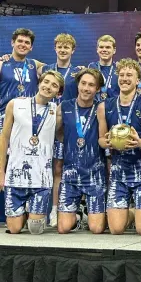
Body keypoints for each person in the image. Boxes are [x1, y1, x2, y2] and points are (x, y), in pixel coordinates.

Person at [0, 70, 64, 234]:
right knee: (14, 230)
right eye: (46, 82)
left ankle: (32, 214)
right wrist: (1, 171)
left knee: (35, 230)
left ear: (58, 93)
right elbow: (4, 138)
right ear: (39, 82)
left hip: (41, 180)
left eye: (54, 85)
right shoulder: (15, 104)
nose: (48, 86)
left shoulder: (56, 111)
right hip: (15, 176)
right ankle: (23, 212)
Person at [98, 58, 141, 235]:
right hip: (118, 171)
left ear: (138, 80)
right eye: (122, 75)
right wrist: (107, 142)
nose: (124, 78)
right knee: (116, 230)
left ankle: (140, 214)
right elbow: (101, 139)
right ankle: (130, 215)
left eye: (129, 75)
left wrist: (139, 143)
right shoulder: (104, 106)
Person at [56, 68, 107, 234]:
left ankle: (91, 213)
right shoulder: (64, 107)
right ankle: (77, 217)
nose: (86, 88)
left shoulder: (103, 108)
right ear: (78, 84)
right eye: (83, 83)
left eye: (91, 85)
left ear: (98, 89)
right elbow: (58, 134)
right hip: (71, 174)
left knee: (97, 229)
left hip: (95, 174)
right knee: (63, 228)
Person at [41, 33, 80, 227]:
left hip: (66, 125)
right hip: (43, 122)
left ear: (73, 50)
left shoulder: (78, 72)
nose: (63, 50)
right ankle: (39, 208)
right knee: (43, 166)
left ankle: (57, 210)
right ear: (55, 48)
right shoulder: (46, 69)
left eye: (67, 47)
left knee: (59, 169)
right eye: (60, 47)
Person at [0, 28, 45, 132]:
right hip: (4, 118)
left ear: (31, 47)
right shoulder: (2, 64)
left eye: (27, 42)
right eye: (20, 41)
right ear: (12, 43)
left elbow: (57, 69)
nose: (23, 44)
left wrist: (77, 70)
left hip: (28, 120)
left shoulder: (34, 64)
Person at [88, 35, 119, 101]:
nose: (104, 50)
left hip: (114, 108)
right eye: (101, 47)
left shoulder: (119, 69)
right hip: (95, 108)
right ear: (97, 49)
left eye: (108, 47)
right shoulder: (91, 67)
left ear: (114, 50)